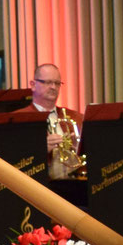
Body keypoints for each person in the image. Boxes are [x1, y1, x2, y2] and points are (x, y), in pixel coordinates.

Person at [31, 63, 85, 207]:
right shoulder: (19, 118)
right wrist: (39, 149)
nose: (53, 87)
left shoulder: (75, 117)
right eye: (48, 82)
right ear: (33, 84)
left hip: (74, 188)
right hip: (39, 191)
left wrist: (78, 148)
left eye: (57, 83)